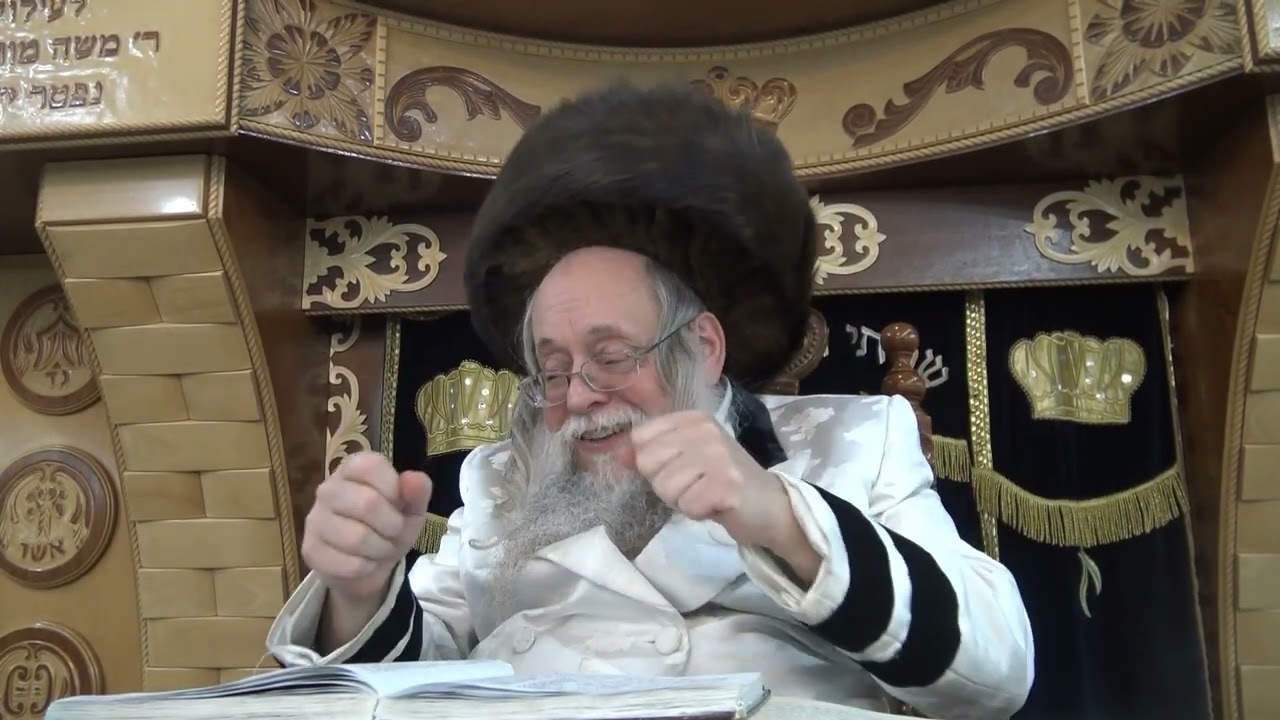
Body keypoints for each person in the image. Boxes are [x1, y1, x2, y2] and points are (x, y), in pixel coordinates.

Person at [266, 81, 1034, 719]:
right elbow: (421, 678)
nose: (580, 396)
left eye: (611, 358)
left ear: (702, 346)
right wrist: (359, 591)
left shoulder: (853, 440)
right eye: (553, 369)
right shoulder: (503, 479)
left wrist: (779, 519)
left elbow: (998, 674)